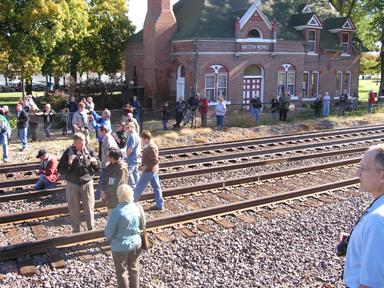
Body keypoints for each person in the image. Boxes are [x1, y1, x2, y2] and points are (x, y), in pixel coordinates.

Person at [341, 144, 384, 287]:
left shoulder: (376, 222)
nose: (357, 174)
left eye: (363, 168)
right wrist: (357, 239)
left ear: (382, 175)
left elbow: (372, 284)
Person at [58, 133, 100, 233]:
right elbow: (60, 170)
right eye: (78, 143)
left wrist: (95, 163)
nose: (81, 145)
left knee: (89, 207)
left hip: (87, 182)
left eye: (82, 143)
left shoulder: (89, 150)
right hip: (72, 183)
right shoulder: (69, 152)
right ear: (74, 142)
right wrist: (68, 163)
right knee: (73, 208)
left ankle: (91, 228)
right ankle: (76, 230)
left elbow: (98, 167)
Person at [105, 184, 144, 288]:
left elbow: (109, 232)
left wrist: (110, 240)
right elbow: (143, 223)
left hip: (120, 246)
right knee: (134, 269)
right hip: (136, 243)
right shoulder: (137, 207)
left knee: (121, 272)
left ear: (118, 195)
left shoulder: (116, 212)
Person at [134, 130, 164, 210]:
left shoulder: (151, 147)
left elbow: (155, 160)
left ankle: (132, 204)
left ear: (146, 138)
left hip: (149, 171)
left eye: (142, 139)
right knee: (156, 187)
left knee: (139, 187)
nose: (141, 141)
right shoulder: (149, 145)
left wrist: (145, 166)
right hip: (152, 170)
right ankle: (159, 205)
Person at [102, 148, 128, 215]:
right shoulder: (111, 165)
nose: (106, 157)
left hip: (116, 199)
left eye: (108, 156)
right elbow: (107, 179)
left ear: (112, 158)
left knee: (114, 217)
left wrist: (105, 193)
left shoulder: (120, 169)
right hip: (111, 197)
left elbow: (115, 186)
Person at [95, 125, 118, 200]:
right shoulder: (107, 137)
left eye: (99, 131)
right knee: (106, 179)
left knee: (103, 179)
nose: (98, 133)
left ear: (103, 131)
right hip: (108, 162)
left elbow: (109, 151)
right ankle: (101, 194)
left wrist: (106, 162)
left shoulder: (107, 138)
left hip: (107, 163)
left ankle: (97, 196)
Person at [125, 122, 141, 189]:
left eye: (128, 127)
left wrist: (126, 156)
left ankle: (133, 186)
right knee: (135, 172)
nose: (127, 129)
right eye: (126, 127)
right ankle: (139, 185)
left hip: (132, 157)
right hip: (136, 157)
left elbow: (131, 148)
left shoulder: (132, 135)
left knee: (129, 172)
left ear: (133, 127)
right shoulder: (136, 135)